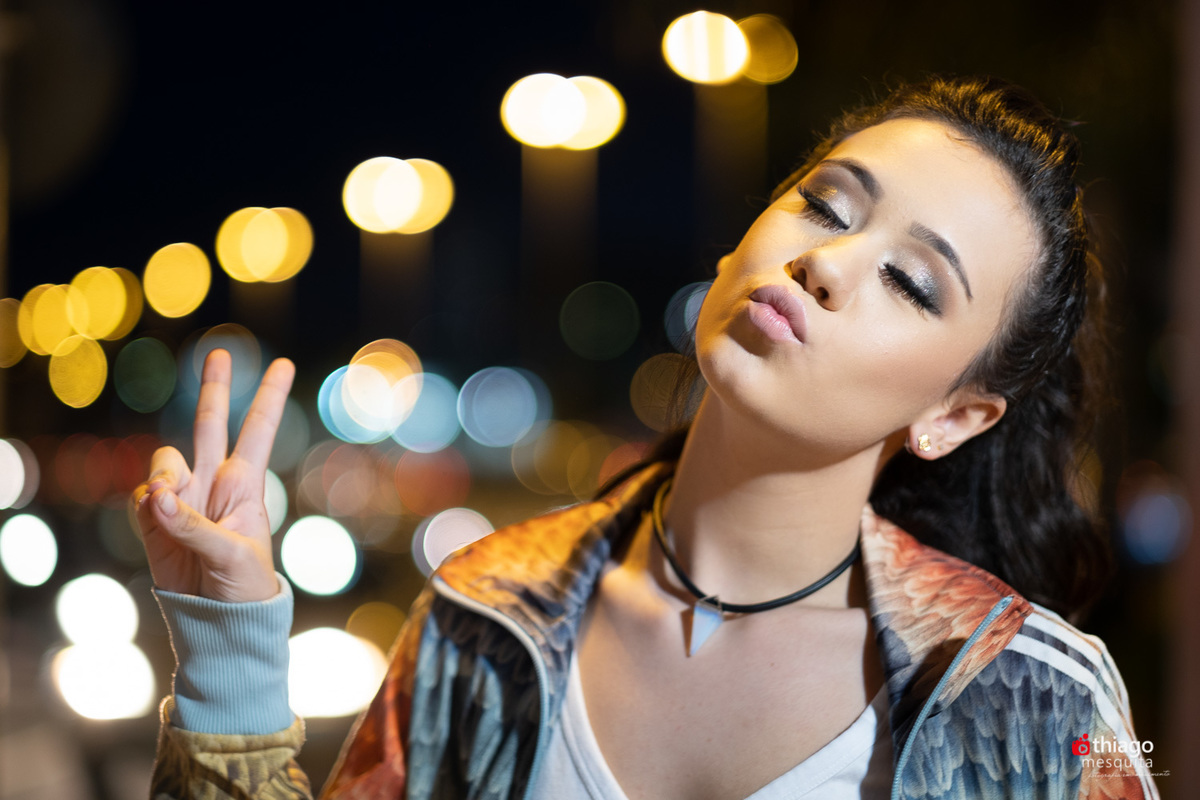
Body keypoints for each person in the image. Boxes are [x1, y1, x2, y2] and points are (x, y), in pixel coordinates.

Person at [134, 75, 1159, 799]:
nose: (830, 263)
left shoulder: (1032, 701)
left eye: (911, 281)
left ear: (954, 415)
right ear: (735, 247)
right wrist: (229, 652)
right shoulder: (482, 622)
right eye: (824, 205)